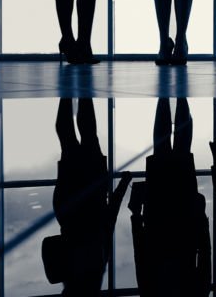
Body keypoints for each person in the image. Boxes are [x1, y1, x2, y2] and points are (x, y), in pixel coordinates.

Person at [44, 98, 131, 296]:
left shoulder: (98, 264)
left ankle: (84, 89)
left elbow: (109, 219)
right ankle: (69, 92)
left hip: (93, 193)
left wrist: (123, 186)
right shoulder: (67, 273)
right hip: (69, 205)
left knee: (87, 137)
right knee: (68, 138)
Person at [128, 98, 211, 296]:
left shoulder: (197, 294)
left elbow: (205, 255)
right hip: (160, 224)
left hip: (180, 225)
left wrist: (200, 219)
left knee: (179, 148)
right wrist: (136, 217)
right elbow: (141, 257)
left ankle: (177, 94)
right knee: (163, 148)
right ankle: (166, 93)